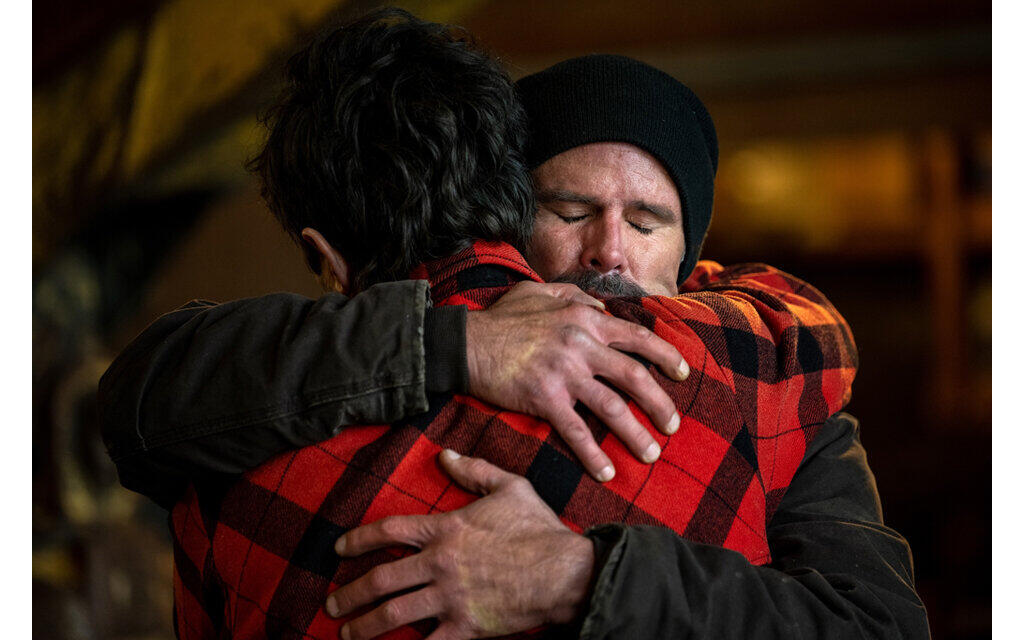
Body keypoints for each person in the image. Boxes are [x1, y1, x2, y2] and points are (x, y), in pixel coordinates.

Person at [98, 11, 927, 640]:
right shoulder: (765, 365)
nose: (609, 251)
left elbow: (879, 624)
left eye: (647, 223)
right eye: (567, 209)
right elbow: (144, 394)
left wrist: (584, 575)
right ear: (503, 212)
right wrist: (458, 343)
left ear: (693, 256)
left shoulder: (759, 362)